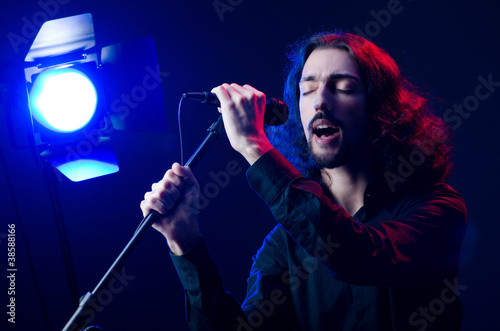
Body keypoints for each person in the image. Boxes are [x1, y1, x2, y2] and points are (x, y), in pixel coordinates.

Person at [140, 31, 467, 330]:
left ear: (379, 108)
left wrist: (254, 147)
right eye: (308, 89)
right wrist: (186, 242)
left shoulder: (437, 208)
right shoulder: (285, 245)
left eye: (343, 88)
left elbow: (359, 254)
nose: (320, 101)